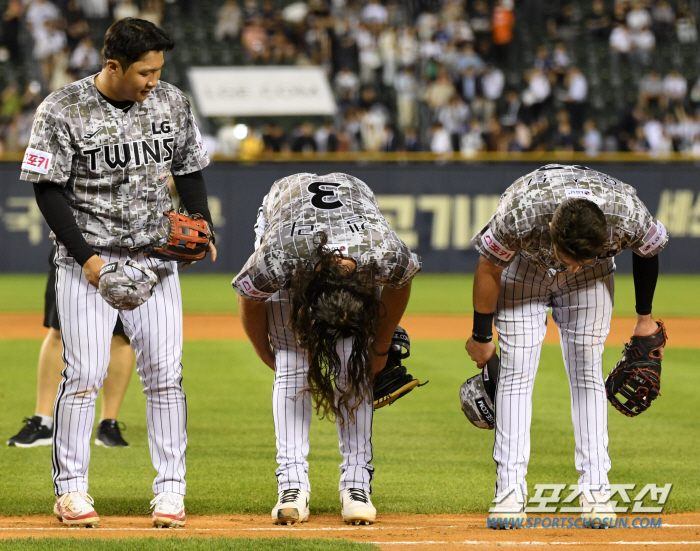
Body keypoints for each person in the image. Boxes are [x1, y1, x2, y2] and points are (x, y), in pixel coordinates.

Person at [20, 18, 215, 528]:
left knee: (165, 377)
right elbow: (47, 189)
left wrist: (202, 224)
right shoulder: (62, 109)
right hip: (88, 260)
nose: (154, 80)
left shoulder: (171, 102)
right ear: (113, 66)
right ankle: (71, 491)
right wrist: (88, 260)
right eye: (145, 72)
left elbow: (190, 170)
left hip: (155, 259)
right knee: (83, 374)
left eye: (158, 70)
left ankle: (171, 490)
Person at [465, 165, 668, 528]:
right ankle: (509, 492)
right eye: (567, 256)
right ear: (551, 231)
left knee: (587, 372)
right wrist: (482, 336)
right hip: (526, 268)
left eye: (578, 258)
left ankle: (596, 492)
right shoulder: (523, 213)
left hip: (592, 279)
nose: (569, 267)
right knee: (515, 373)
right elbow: (489, 268)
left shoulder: (626, 215)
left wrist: (644, 316)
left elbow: (648, 249)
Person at [232, 172, 421, 526]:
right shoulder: (279, 257)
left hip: (354, 204)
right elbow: (249, 297)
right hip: (287, 208)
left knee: (353, 362)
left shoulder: (381, 251)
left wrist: (379, 346)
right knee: (291, 363)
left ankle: (357, 484)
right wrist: (264, 350)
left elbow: (402, 282)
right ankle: (291, 486)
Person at [7, 245, 134, 448]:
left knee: (120, 335)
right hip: (73, 251)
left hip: (125, 252)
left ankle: (108, 423)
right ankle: (43, 422)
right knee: (58, 331)